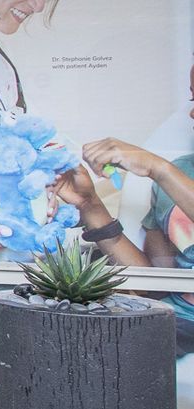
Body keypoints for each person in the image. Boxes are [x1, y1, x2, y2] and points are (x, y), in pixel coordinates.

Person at [54, 64, 194, 352]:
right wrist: (90, 205)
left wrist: (157, 167)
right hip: (178, 319)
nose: (191, 112)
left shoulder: (167, 172)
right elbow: (151, 283)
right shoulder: (180, 170)